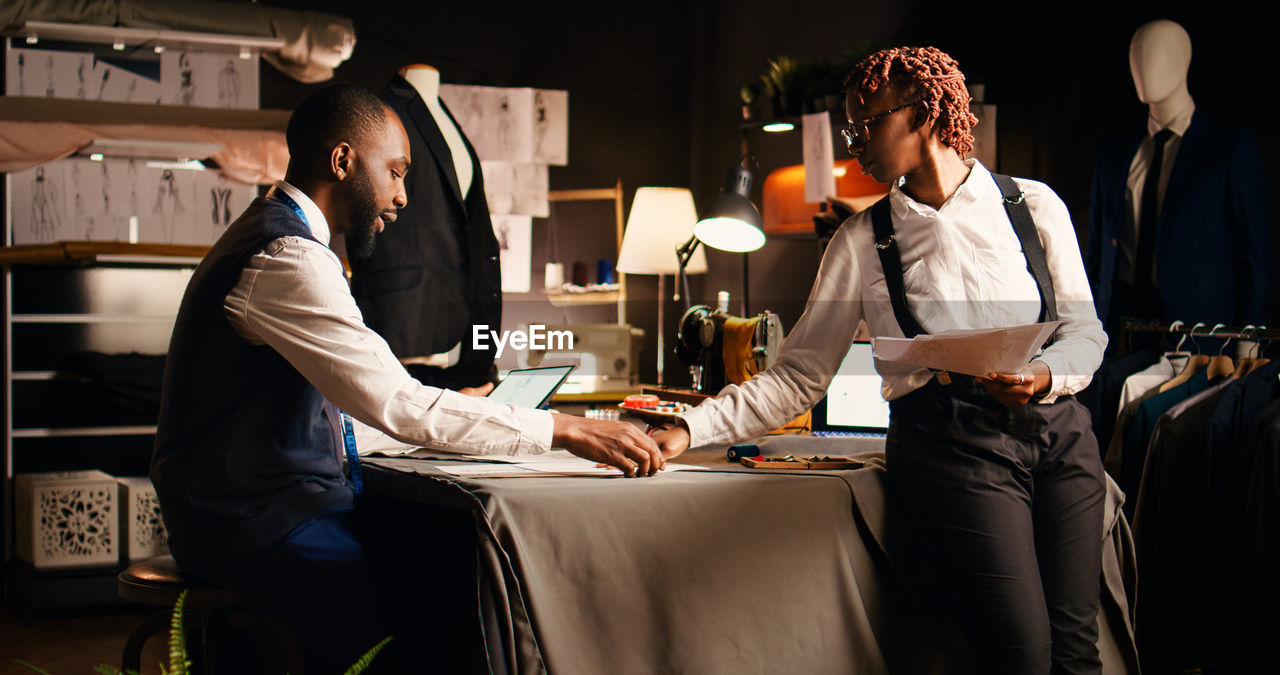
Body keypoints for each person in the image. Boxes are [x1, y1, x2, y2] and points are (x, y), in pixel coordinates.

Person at [150, 83, 664, 671]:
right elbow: (398, 404)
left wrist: (458, 408)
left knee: (449, 566)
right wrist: (565, 429)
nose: (401, 197)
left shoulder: (279, 239)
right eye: (395, 172)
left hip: (253, 514)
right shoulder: (287, 258)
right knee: (448, 603)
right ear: (343, 161)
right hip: (245, 530)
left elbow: (345, 415)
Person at [653, 46, 1109, 673]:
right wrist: (688, 430)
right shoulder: (862, 241)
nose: (854, 144)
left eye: (865, 125)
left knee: (1079, 652)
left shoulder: (1033, 206)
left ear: (922, 112)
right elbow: (798, 375)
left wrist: (1045, 376)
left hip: (1061, 433)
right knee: (1019, 654)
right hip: (953, 445)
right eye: (848, 129)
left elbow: (1085, 333)